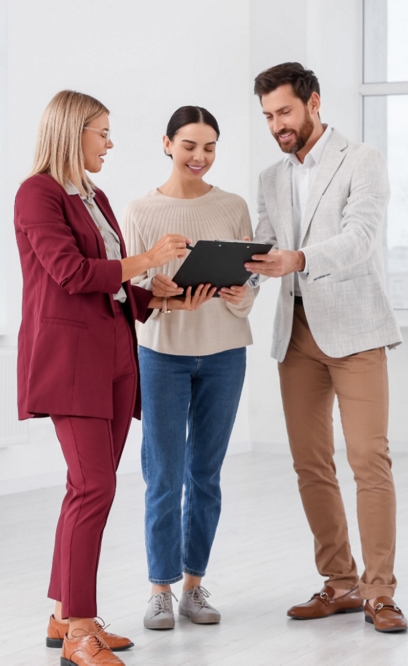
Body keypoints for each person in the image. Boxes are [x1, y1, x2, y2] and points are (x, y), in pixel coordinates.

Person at [14, 90, 202, 666]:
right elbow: (71, 273)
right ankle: (78, 629)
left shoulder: (95, 197)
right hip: (70, 363)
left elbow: (111, 285)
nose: (110, 143)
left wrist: (159, 297)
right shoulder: (37, 194)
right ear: (73, 133)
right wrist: (147, 260)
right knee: (95, 487)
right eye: (102, 133)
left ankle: (65, 614)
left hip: (116, 357)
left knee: (86, 487)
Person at [243, 63, 408, 633]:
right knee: (311, 464)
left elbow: (360, 239)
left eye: (284, 112)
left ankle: (380, 593)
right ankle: (340, 582)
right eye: (267, 116)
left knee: (368, 460)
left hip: (356, 333)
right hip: (296, 335)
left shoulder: (361, 160)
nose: (277, 125)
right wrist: (233, 276)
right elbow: (265, 250)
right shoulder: (270, 177)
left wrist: (300, 258)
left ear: (313, 102)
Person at [123, 106, 257, 630]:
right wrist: (158, 291)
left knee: (205, 473)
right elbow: (131, 291)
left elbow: (249, 286)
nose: (199, 157)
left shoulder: (233, 206)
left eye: (209, 147)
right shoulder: (139, 211)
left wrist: (237, 293)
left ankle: (194, 585)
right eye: (189, 146)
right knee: (163, 473)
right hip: (161, 353)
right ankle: (160, 588)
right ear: (166, 144)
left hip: (225, 351)